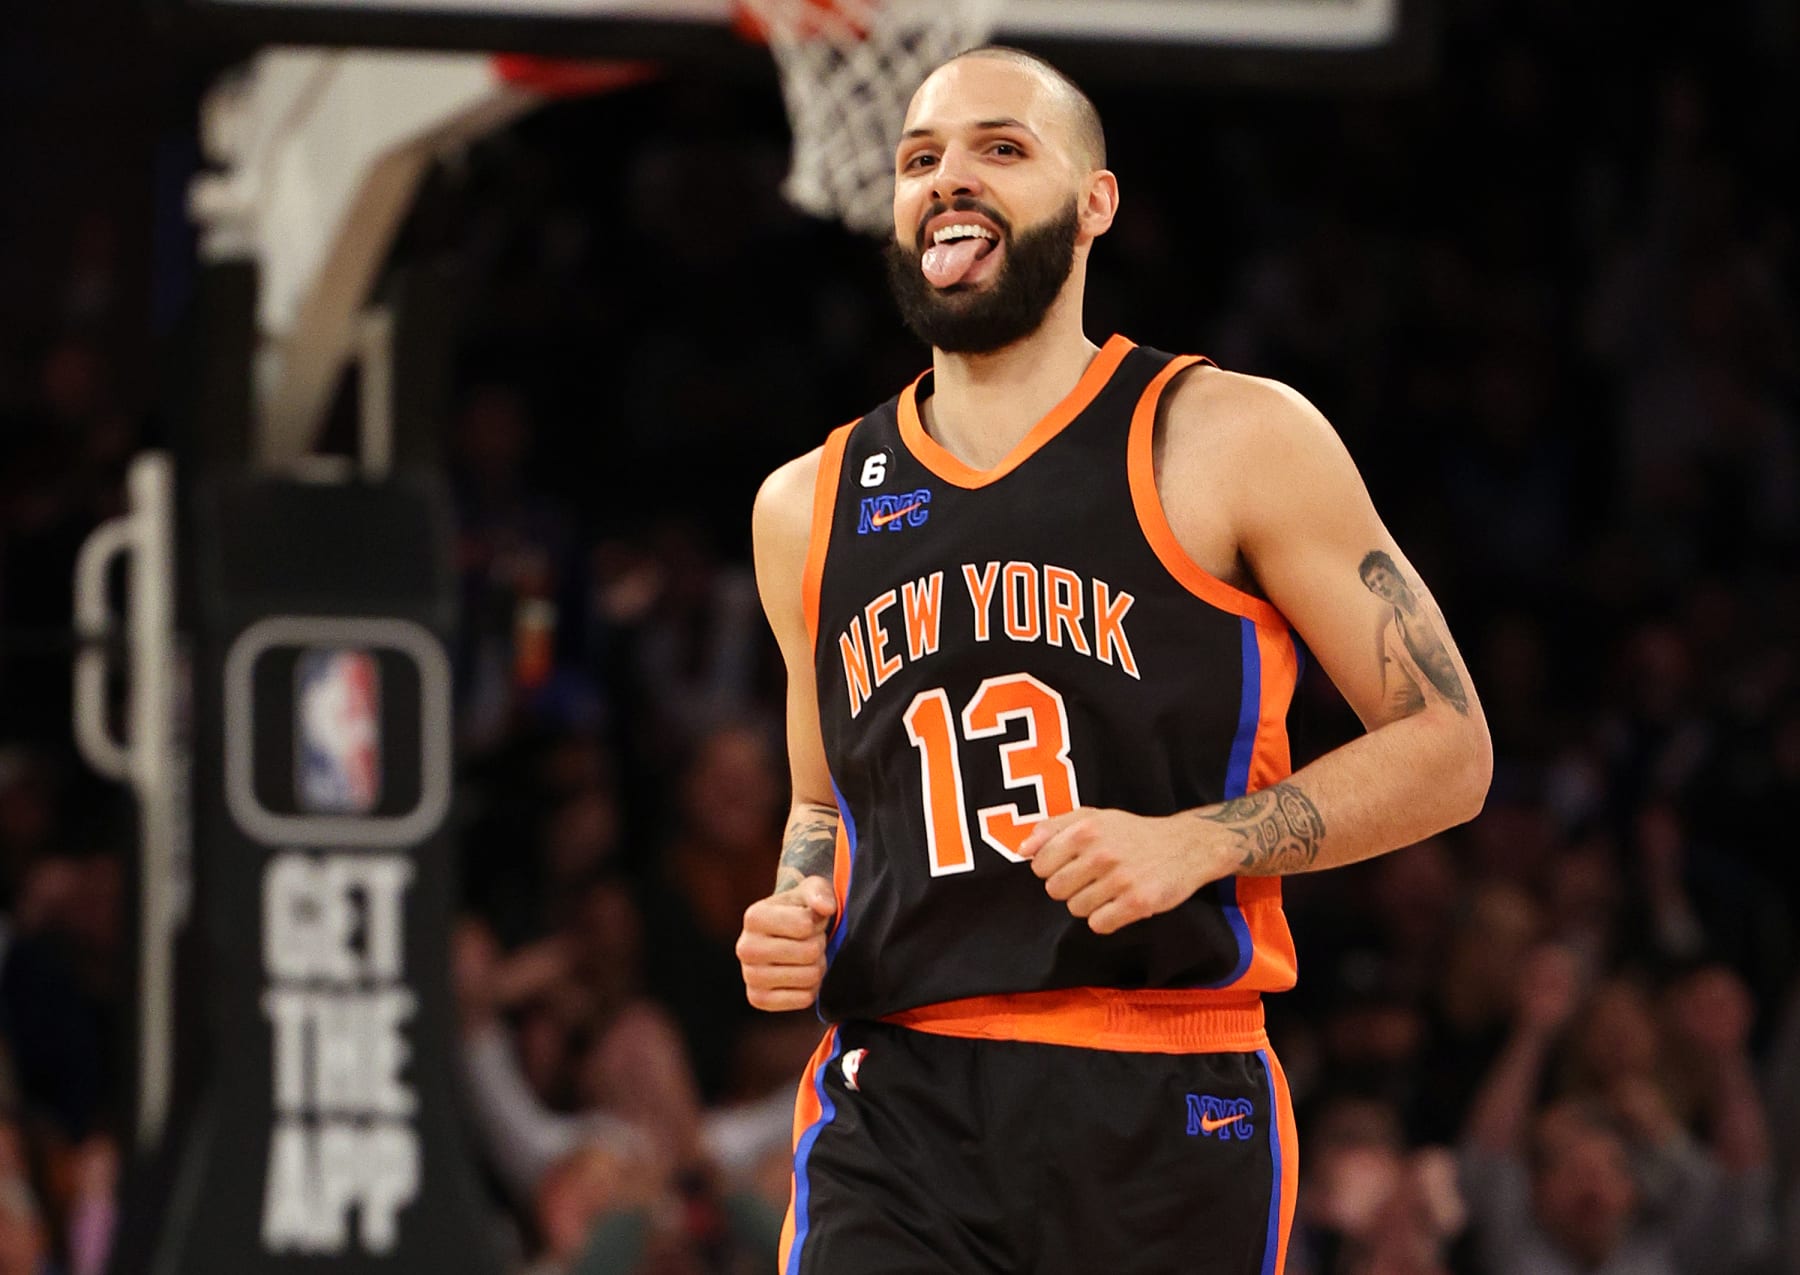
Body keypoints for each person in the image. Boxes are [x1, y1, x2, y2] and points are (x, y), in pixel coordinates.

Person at [736, 45, 1492, 1274]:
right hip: (896, 1097)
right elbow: (823, 797)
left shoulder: (1229, 434)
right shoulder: (803, 506)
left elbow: (1451, 749)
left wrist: (1202, 839)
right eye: (920, 158)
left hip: (1162, 1083)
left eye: (1001, 148)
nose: (949, 179)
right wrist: (796, 903)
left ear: (1096, 205)